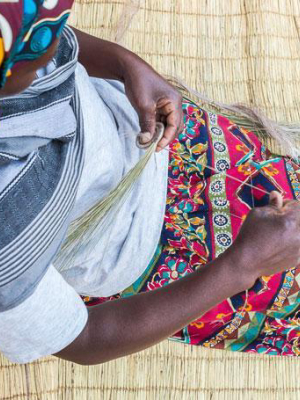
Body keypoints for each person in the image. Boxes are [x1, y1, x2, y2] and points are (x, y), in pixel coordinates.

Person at [1, 1, 300, 365]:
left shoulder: (17, 44)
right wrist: (245, 264)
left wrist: (122, 66)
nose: (56, 51)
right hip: (154, 251)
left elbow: (47, 38)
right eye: (38, 53)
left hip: (161, 133)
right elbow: (86, 338)